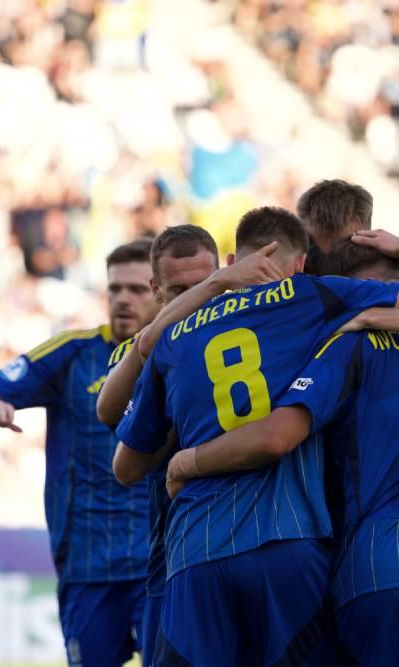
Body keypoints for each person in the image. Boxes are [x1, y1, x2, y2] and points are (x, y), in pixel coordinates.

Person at [114, 206, 399, 666]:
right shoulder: (311, 297)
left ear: (233, 262)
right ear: (301, 263)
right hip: (287, 540)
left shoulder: (175, 331)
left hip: (194, 550)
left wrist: (183, 453)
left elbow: (125, 466)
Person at [0, 240, 159, 667]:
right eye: (115, 288)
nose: (123, 299)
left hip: (159, 564)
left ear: (160, 292)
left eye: (137, 289)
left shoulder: (179, 348)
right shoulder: (71, 353)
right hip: (87, 566)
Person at [99, 224, 286, 667]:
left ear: (226, 273)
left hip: (271, 542)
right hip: (179, 554)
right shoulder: (142, 354)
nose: (199, 300)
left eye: (207, 284)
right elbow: (122, 456)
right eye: (181, 292)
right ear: (157, 291)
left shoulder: (263, 334)